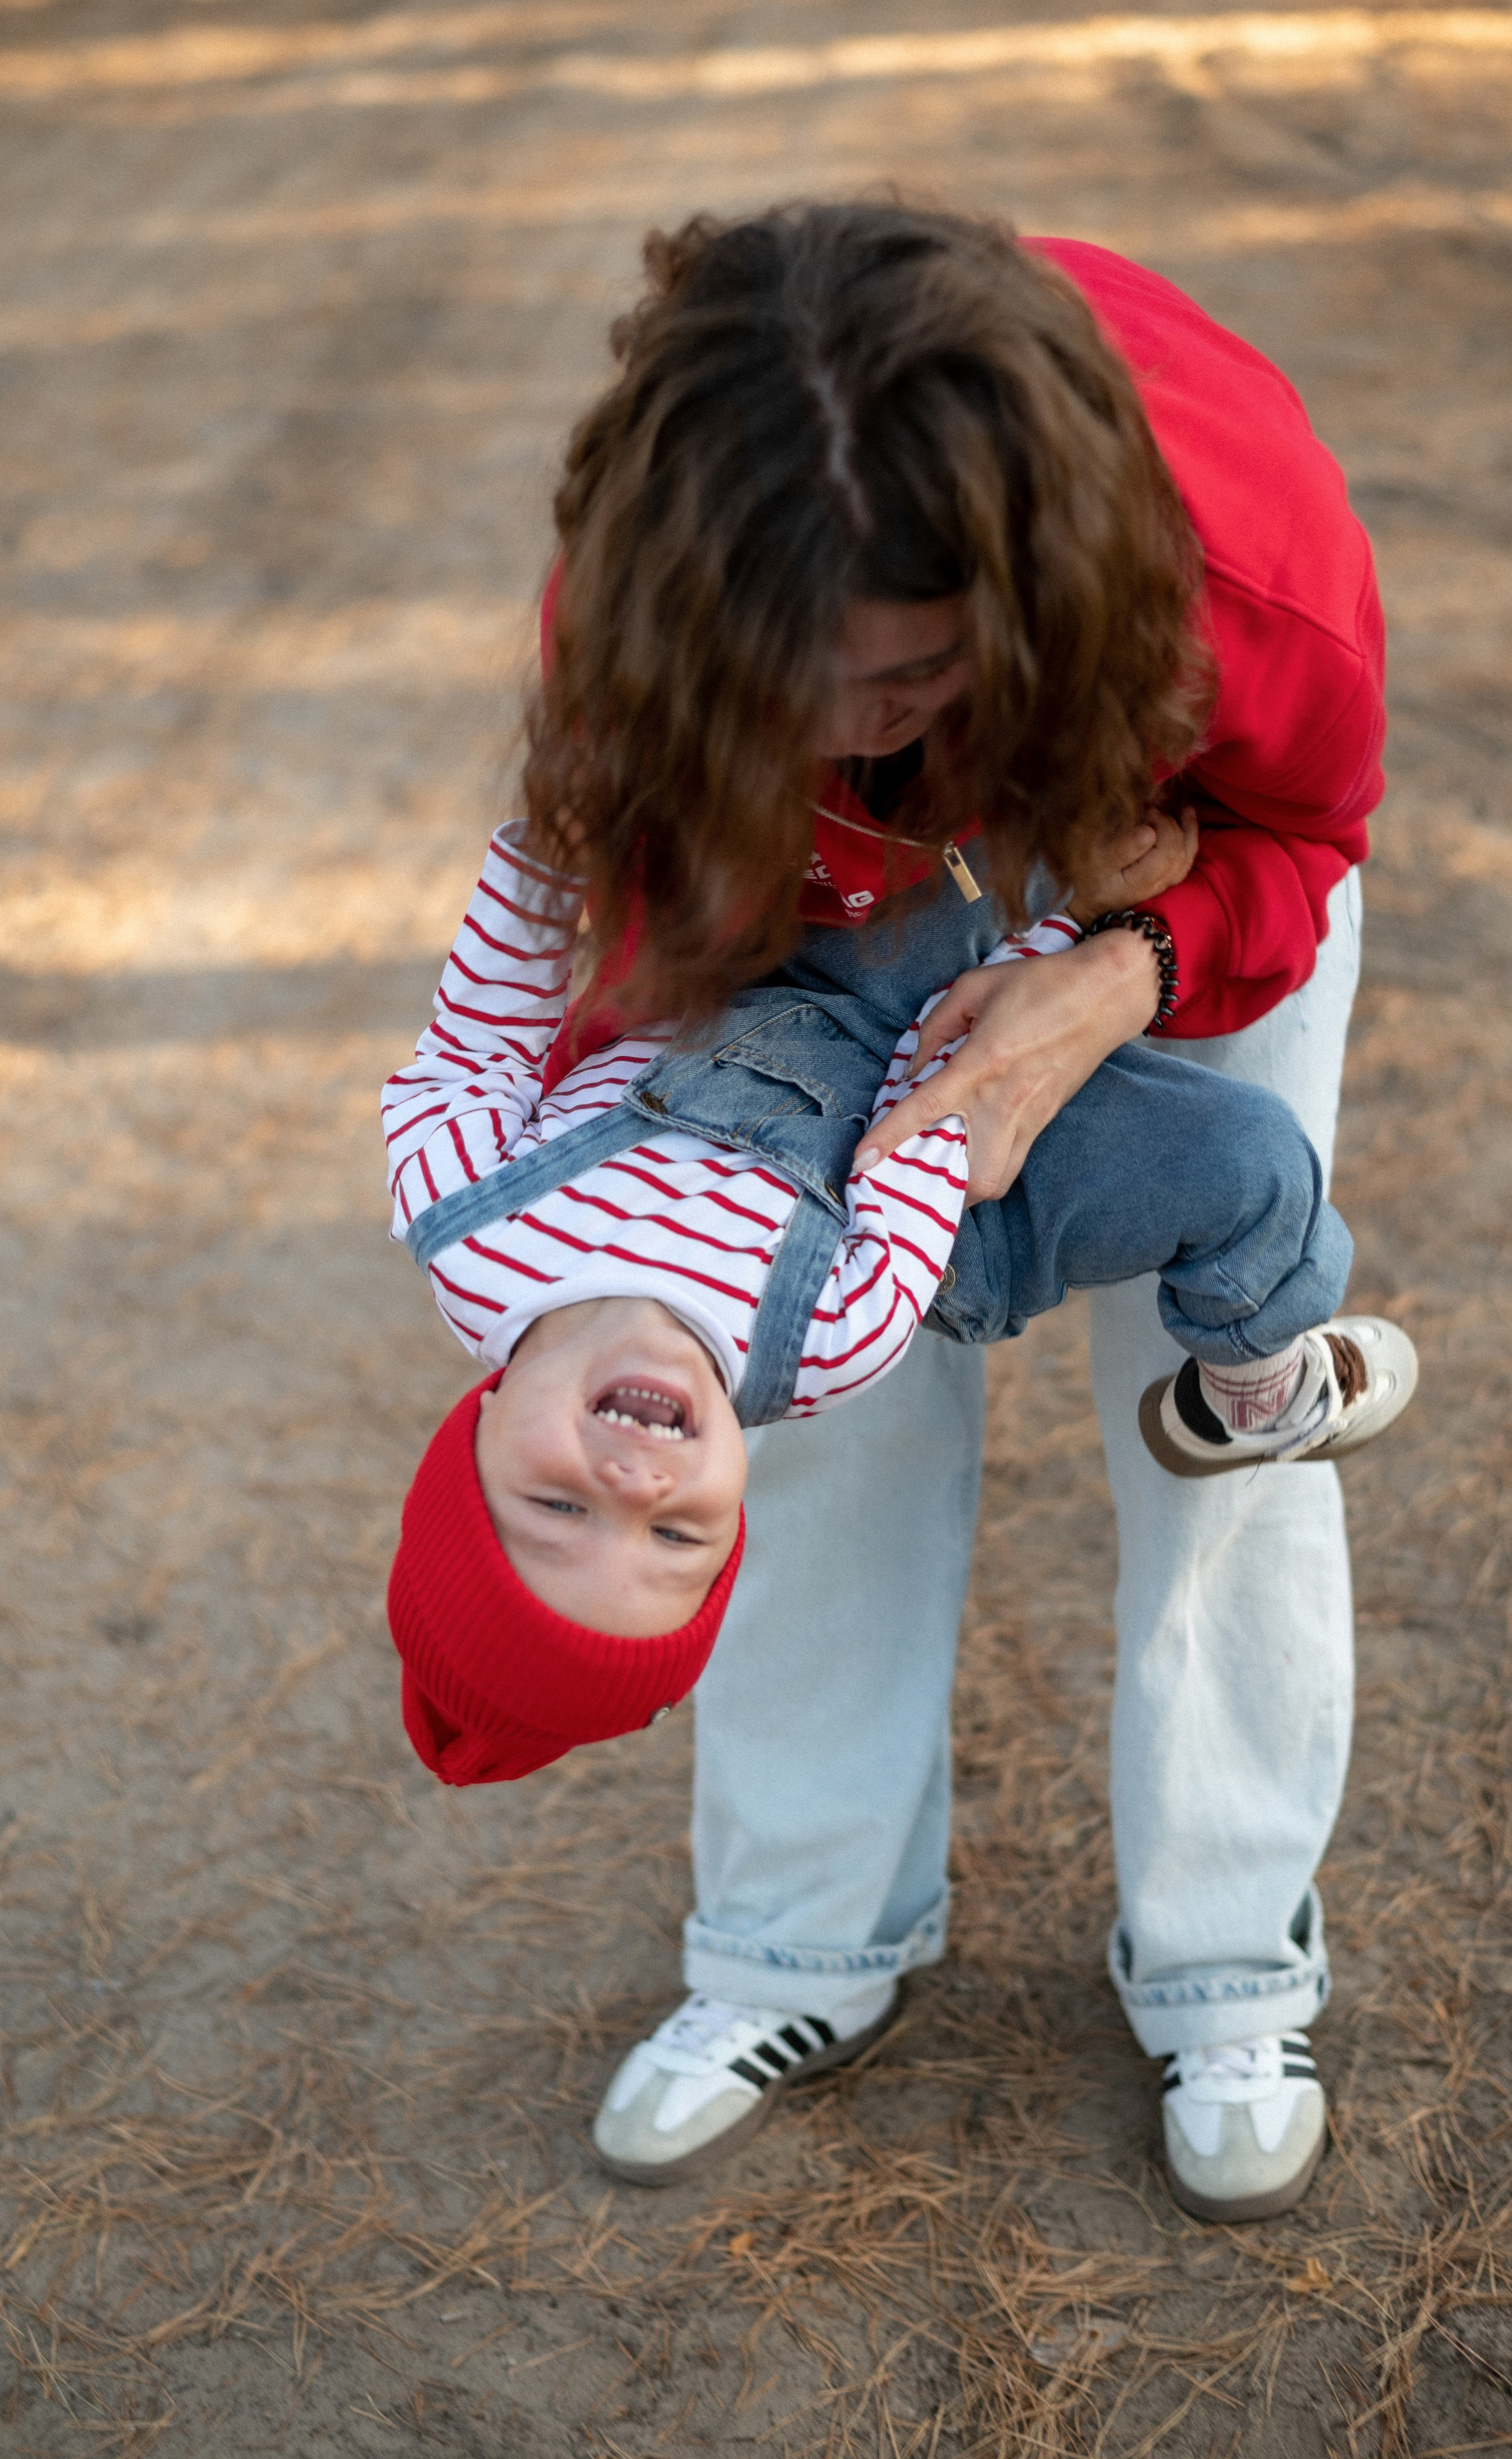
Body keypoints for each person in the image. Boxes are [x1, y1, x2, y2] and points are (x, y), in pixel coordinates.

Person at [492, 201, 1392, 2223]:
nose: (836, 725)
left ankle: (1233, 1954)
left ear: (1027, 594)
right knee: (809, 1374)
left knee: (1219, 1397)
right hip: (829, 926)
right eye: (777, 677)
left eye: (897, 672)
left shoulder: (1245, 574)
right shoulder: (655, 589)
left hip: (1170, 861)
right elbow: (624, 943)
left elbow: (1307, 830)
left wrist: (1119, 969)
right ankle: (802, 1941)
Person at [382, 822, 1415, 1826]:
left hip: (765, 988)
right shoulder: (835, 1334)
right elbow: (942, 1111)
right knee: (1247, 1162)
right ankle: (1255, 1380)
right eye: (676, 1533)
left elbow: (470, 1059)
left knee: (888, 851)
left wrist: (548, 856)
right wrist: (1082, 917)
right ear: (731, 1522)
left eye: (560, 1509)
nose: (634, 1486)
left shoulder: (472, 1229)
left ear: (477, 1431)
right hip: (953, 1176)